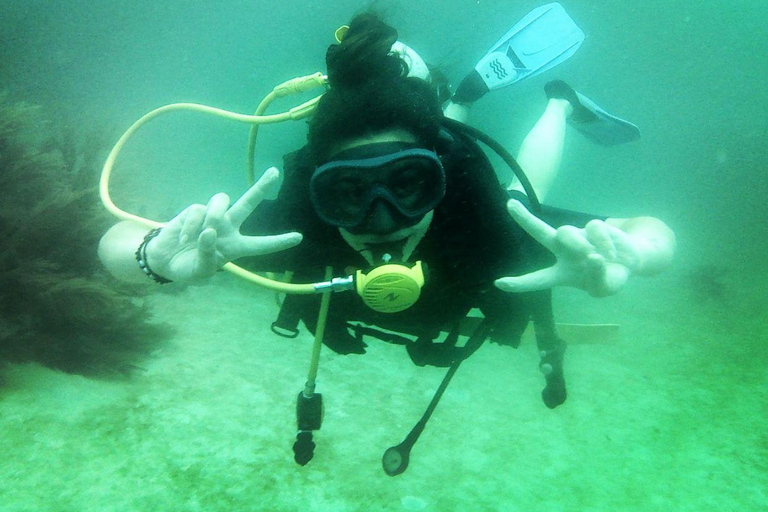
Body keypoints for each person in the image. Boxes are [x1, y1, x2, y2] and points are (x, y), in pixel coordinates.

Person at [98, 13, 675, 410]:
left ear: (438, 184)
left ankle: (556, 104)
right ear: (320, 193)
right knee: (448, 148)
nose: (383, 218)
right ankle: (449, 103)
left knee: (521, 201)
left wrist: (634, 253)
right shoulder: (301, 226)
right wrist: (156, 259)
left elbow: (654, 233)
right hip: (428, 159)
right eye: (350, 192)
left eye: (408, 183)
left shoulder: (477, 216)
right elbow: (115, 244)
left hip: (469, 188)